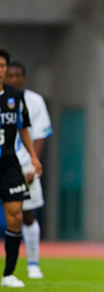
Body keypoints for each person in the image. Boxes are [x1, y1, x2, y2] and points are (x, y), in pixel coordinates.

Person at [5, 62, 53, 279]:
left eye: (18, 75)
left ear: (24, 77)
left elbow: (39, 134)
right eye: (10, 75)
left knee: (27, 213)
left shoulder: (34, 101)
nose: (14, 79)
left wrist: (34, 164)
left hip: (24, 165)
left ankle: (33, 263)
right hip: (3, 163)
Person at [0, 48, 43, 288]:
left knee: (17, 215)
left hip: (9, 163)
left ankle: (8, 274)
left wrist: (34, 158)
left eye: (2, 66)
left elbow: (23, 128)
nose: (0, 70)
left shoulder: (15, 96)